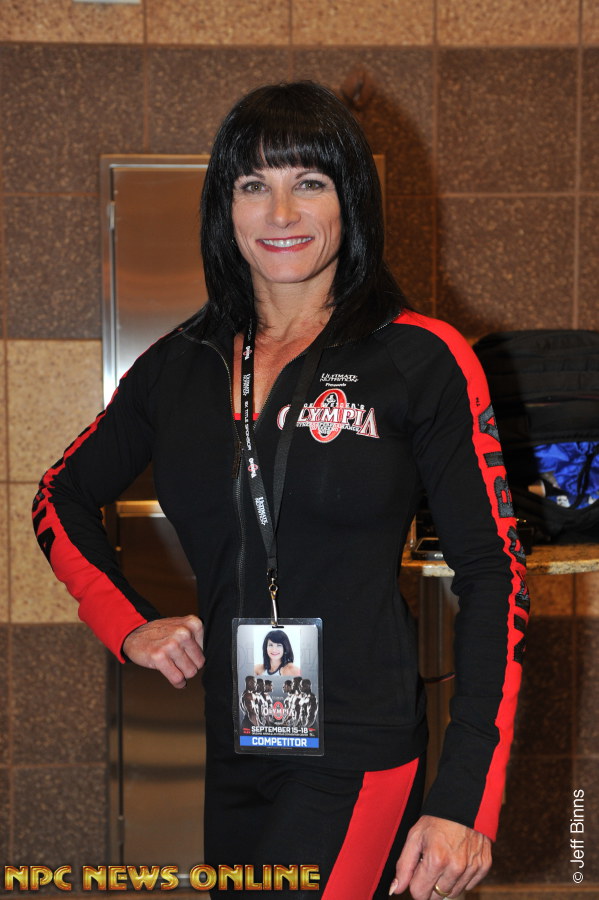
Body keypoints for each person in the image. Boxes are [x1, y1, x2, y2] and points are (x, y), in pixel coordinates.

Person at [32, 81, 529, 899]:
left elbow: (495, 572)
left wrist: (466, 797)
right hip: (235, 741)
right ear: (223, 209)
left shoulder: (420, 357)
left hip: (360, 747)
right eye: (253, 185)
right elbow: (58, 494)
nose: (281, 211)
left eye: (310, 181)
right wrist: (128, 623)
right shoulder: (178, 364)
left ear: (350, 200)